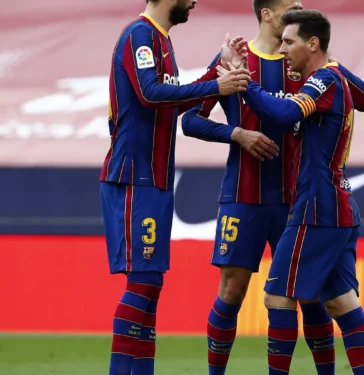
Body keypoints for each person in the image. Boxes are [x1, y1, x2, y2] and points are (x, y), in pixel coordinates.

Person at [181, 1, 364, 374]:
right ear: (268, 13)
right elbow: (190, 119)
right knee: (232, 291)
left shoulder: (307, 64)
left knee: (311, 298)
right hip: (246, 194)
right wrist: (236, 134)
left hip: (300, 200)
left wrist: (326, 54)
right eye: (292, 4)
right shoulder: (235, 59)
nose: (301, 6)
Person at [100, 0, 251, 374]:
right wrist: (217, 83)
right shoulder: (140, 36)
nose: (194, 1)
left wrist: (218, 68)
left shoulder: (162, 41)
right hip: (134, 175)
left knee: (150, 287)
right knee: (144, 282)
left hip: (155, 178)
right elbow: (150, 94)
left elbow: (172, 101)